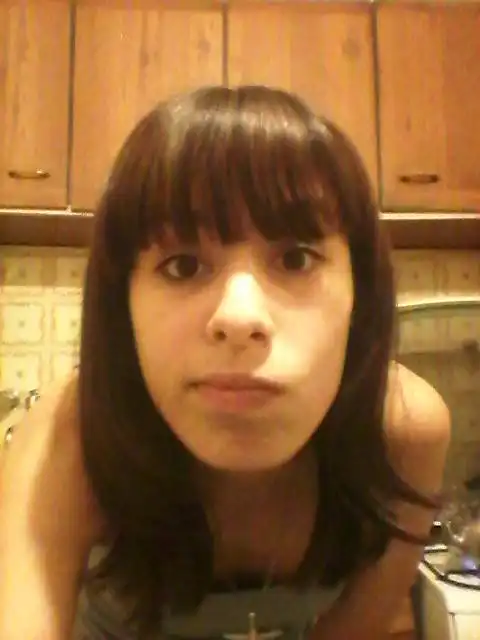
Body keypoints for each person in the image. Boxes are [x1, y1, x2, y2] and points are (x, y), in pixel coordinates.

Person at [0, 85, 451, 640]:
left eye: (296, 259)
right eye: (183, 266)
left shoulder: (405, 430)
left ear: (361, 292)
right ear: (123, 305)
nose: (239, 317)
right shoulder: (69, 439)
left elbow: (358, 627)